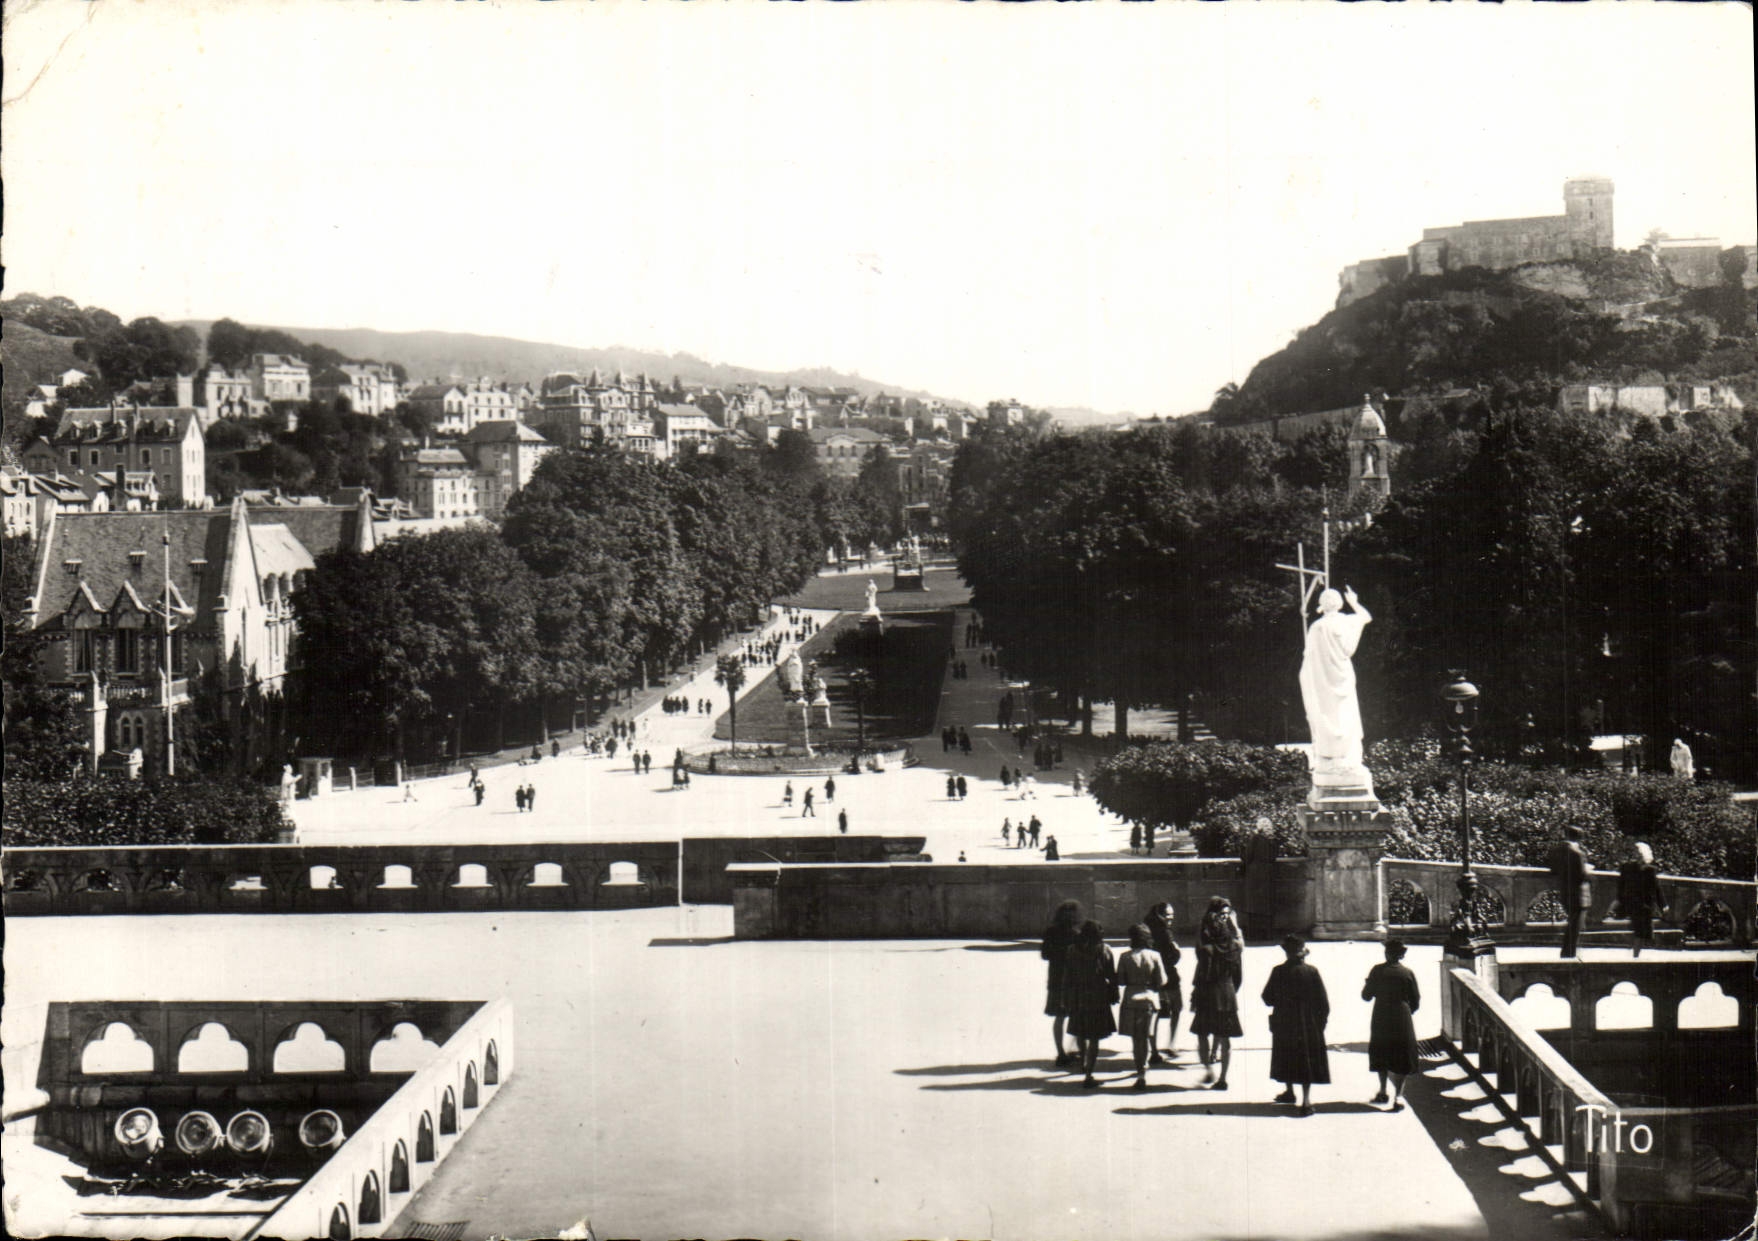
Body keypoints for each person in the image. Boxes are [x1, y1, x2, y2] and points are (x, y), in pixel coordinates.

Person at [1298, 586, 1372, 783]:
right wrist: (1354, 602)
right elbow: (1365, 617)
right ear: (1339, 603)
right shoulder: (1347, 621)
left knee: (1326, 714)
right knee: (1345, 714)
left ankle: (1330, 756)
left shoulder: (1316, 627)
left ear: (1322, 605)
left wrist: (1307, 680)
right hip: (1343, 676)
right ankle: (1347, 757)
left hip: (1323, 680)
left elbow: (1309, 659)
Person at [1264, 935, 1330, 1116]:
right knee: (1305, 1059)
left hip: (1284, 1022)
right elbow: (1323, 1003)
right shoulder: (1312, 972)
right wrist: (1320, 1024)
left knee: (1287, 1056)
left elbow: (1267, 998)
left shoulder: (1278, 972)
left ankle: (1290, 1091)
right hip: (1307, 1023)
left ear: (1286, 953)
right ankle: (1306, 1101)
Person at [1191, 897, 1244, 1090]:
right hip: (1227, 994)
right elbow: (1240, 947)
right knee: (1225, 1038)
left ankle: (1208, 1069)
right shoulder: (1234, 947)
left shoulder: (1205, 950)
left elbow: (1199, 950)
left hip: (1206, 993)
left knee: (1202, 1034)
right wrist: (1235, 925)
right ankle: (1223, 1078)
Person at [1362, 939, 1421, 1111]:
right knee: (1402, 1053)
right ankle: (1399, 1096)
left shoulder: (1377, 970)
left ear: (1387, 953)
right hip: (1402, 1015)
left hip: (1381, 1014)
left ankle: (1382, 1090)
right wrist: (1407, 1011)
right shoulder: (1407, 973)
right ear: (1401, 955)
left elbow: (1366, 996)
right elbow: (1416, 1000)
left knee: (1381, 1050)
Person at [1062, 919, 1118, 1086]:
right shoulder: (1104, 950)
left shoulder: (1072, 950)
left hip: (1078, 996)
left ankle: (1082, 1062)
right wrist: (1114, 994)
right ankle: (1089, 1074)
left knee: (1080, 1032)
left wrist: (1066, 998)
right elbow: (1111, 976)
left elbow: (1067, 977)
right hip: (1098, 997)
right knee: (1094, 1037)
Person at [1116, 924, 1168, 1090]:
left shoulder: (1125, 957)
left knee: (1135, 1040)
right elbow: (1162, 980)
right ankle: (1143, 1072)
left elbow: (1121, 981)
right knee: (1145, 1037)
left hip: (1131, 999)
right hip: (1149, 998)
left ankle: (1139, 1070)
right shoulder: (1155, 955)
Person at [1041, 900, 1084, 1067]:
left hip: (1056, 979)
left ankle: (1061, 1052)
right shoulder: (1077, 934)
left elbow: (1045, 955)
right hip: (1073, 980)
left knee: (1059, 1017)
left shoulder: (1050, 932)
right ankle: (1080, 1052)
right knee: (1077, 1016)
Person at [1144, 902, 1183, 1063]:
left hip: (1152, 977)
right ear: (1159, 915)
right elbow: (1173, 957)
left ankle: (1153, 1050)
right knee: (1176, 1008)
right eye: (1168, 915)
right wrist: (1177, 949)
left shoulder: (1147, 929)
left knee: (1155, 1014)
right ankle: (1172, 1044)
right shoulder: (1166, 933)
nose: (1171, 918)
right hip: (1168, 976)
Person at [1618, 842, 1668, 958]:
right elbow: (1620, 886)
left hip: (1645, 905)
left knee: (1641, 932)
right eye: (1635, 852)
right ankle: (1635, 956)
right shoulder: (1626, 868)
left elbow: (1656, 888)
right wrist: (1620, 901)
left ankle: (1636, 955)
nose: (1636, 855)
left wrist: (1663, 905)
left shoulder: (1650, 870)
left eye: (1639, 853)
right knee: (1639, 931)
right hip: (1632, 904)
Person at [1548, 825, 1591, 959]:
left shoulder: (1555, 851)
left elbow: (1553, 870)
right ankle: (1569, 953)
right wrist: (1588, 870)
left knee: (1572, 923)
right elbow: (1582, 875)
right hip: (1579, 893)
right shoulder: (1578, 853)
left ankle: (1569, 952)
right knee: (1575, 926)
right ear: (1578, 838)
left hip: (1565, 891)